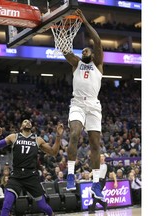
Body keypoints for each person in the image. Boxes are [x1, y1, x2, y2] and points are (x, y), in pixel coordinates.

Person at [62, 8, 105, 200]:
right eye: (83, 50)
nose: (85, 50)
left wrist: (85, 21)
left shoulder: (98, 64)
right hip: (78, 103)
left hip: (94, 106)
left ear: (93, 54)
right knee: (74, 134)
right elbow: (65, 50)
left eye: (87, 49)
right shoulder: (76, 63)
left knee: (95, 144)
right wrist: (61, 27)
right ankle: (71, 174)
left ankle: (96, 183)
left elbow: (97, 41)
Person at [0, 119, 64, 216]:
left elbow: (53, 152)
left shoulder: (37, 139)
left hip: (31, 176)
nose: (28, 122)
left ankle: (52, 214)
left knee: (43, 205)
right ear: (21, 127)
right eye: (25, 121)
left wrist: (58, 136)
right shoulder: (14, 137)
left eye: (29, 122)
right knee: (6, 204)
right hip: (16, 176)